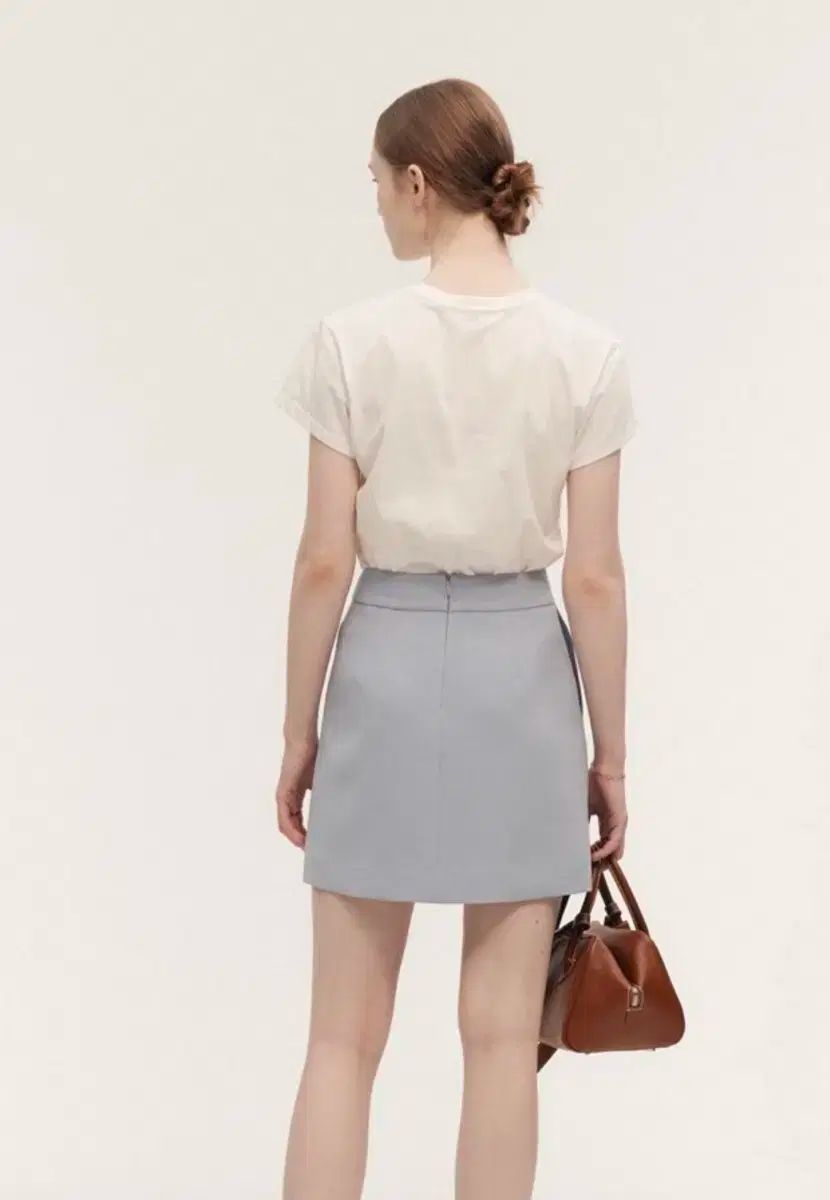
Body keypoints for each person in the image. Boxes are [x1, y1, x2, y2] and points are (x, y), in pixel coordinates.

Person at [271, 77, 636, 1200]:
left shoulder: (350, 342)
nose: (378, 205)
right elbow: (594, 576)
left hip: (381, 667)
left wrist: (298, 734)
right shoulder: (584, 352)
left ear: (420, 184)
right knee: (502, 1041)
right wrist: (611, 757)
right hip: (520, 678)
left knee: (342, 1040)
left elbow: (323, 559)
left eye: (379, 183)